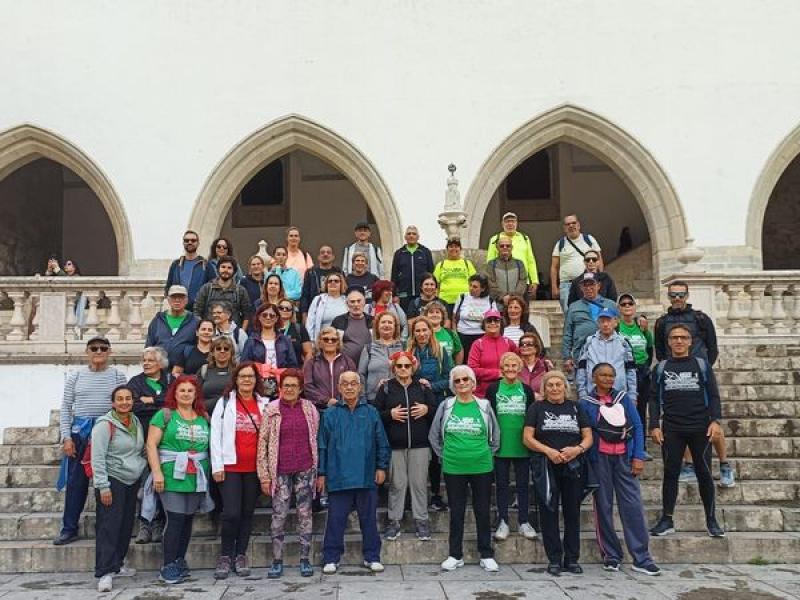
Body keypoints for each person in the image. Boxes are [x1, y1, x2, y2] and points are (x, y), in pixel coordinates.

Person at [578, 363, 661, 576]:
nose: (607, 379)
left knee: (632, 505)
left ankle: (642, 557)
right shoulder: (586, 403)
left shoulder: (622, 398)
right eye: (603, 375)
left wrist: (638, 456)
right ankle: (611, 555)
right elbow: (584, 431)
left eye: (611, 375)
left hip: (624, 457)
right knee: (603, 507)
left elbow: (637, 425)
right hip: (600, 460)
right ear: (593, 378)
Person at [648, 324, 726, 538]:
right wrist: (654, 425)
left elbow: (714, 394)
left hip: (700, 427)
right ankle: (667, 519)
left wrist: (716, 421)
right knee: (670, 473)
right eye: (674, 337)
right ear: (669, 342)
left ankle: (711, 520)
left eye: (683, 337)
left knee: (704, 473)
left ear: (690, 341)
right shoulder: (661, 367)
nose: (679, 341)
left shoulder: (701, 365)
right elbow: (653, 399)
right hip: (672, 428)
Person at [652, 281, 730, 486]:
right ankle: (688, 465)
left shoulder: (701, 318)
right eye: (673, 295)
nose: (677, 299)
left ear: (687, 296)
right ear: (668, 296)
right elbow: (660, 351)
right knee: (681, 419)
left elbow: (712, 348)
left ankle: (724, 464)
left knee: (714, 422)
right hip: (675, 377)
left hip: (700, 377)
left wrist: (700, 367)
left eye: (681, 295)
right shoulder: (661, 322)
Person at [55, 336, 128, 546]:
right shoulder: (75, 377)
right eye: (94, 348)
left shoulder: (117, 376)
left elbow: (123, 406)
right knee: (76, 483)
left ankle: (105, 528)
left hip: (107, 434)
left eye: (103, 348)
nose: (98, 351)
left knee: (107, 482)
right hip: (80, 433)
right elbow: (67, 408)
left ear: (109, 352)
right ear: (87, 351)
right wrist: (67, 437)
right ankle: (69, 528)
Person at [429, 365, 500, 572]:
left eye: (465, 380)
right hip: (453, 467)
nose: (461, 383)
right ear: (452, 384)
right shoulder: (446, 405)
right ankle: (455, 554)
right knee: (457, 512)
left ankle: (486, 554)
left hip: (481, 466)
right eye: (457, 381)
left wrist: (487, 454)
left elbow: (495, 435)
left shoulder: (484, 405)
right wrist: (445, 455)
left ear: (472, 382)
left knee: (482, 511)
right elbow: (434, 435)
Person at [319, 371, 391, 574]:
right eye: (345, 384)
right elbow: (322, 445)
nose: (349, 387)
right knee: (335, 519)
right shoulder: (330, 413)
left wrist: (381, 467)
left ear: (360, 387)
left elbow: (381, 443)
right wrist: (322, 473)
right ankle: (331, 557)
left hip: (366, 474)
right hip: (338, 475)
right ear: (339, 388)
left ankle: (372, 556)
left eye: (353, 384)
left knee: (369, 519)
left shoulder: (371, 412)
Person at [523, 370, 593, 577]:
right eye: (550, 385)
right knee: (548, 512)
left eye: (558, 384)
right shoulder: (537, 407)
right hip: (546, 465)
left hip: (573, 466)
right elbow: (527, 438)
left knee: (572, 512)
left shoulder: (575, 407)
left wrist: (577, 450)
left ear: (565, 386)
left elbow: (588, 437)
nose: (554, 388)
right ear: (544, 388)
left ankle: (572, 559)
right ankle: (554, 558)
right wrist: (548, 451)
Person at [145, 376, 212, 585]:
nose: (185, 394)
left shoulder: (203, 417)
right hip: (171, 472)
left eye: (190, 391)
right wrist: (156, 472)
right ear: (174, 393)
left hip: (196, 474)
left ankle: (179, 560)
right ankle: (167, 565)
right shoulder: (164, 415)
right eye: (181, 390)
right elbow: (151, 445)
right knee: (174, 519)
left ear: (196, 394)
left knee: (187, 520)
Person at [257, 368, 319, 579]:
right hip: (280, 470)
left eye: (294, 386)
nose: (290, 389)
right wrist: (264, 474)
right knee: (279, 515)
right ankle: (276, 560)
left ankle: (304, 558)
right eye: (286, 386)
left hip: (305, 468)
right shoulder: (272, 409)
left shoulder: (310, 408)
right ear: (280, 388)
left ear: (301, 388)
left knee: (305, 515)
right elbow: (263, 442)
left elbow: (315, 437)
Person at [210, 362, 269, 579]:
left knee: (247, 513)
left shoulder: (264, 404)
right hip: (230, 467)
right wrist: (217, 465)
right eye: (242, 376)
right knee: (231, 513)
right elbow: (214, 435)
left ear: (256, 380)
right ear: (235, 379)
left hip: (254, 468)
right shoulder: (225, 403)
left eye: (251, 377)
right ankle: (226, 555)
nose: (246, 380)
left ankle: (240, 554)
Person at [91, 385, 147, 592]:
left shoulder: (135, 422)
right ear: (113, 403)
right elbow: (97, 458)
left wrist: (140, 467)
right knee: (109, 526)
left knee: (125, 525)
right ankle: (104, 572)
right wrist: (103, 487)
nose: (124, 402)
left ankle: (118, 563)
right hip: (112, 480)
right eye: (120, 399)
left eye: (128, 398)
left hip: (131, 481)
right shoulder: (105, 425)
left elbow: (140, 450)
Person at [375, 351, 435, 541]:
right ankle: (394, 521)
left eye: (406, 366)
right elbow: (375, 414)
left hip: (420, 444)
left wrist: (426, 409)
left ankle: (421, 520)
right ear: (393, 368)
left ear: (412, 367)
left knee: (419, 484)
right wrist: (389, 414)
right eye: (399, 366)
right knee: (397, 484)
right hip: (395, 445)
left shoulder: (423, 387)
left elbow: (436, 412)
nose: (403, 369)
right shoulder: (385, 388)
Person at [486, 353, 537, 541]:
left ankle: (524, 521)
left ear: (520, 367)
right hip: (501, 446)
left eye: (514, 365)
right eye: (507, 365)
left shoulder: (526, 389)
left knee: (523, 485)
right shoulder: (493, 389)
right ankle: (502, 521)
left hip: (522, 445)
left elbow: (532, 417)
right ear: (501, 367)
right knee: (501, 485)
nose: (510, 369)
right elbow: (489, 417)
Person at [407, 316, 453, 511]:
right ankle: (412, 495)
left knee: (435, 451)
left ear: (430, 331)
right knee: (415, 449)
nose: (421, 334)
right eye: (417, 330)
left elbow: (449, 380)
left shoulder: (440, 351)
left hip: (436, 404)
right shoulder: (409, 352)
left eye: (424, 330)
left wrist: (431, 386)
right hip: (414, 404)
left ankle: (435, 494)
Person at [128, 346, 171, 544]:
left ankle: (159, 523)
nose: (146, 363)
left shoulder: (170, 380)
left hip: (167, 440)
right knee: (146, 483)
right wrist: (156, 404)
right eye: (144, 360)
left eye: (151, 360)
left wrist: (151, 400)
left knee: (162, 483)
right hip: (143, 439)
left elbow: (172, 402)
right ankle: (145, 524)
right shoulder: (135, 382)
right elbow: (133, 405)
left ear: (160, 363)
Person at [575, 307, 637, 400]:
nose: (605, 324)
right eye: (602, 321)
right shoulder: (589, 342)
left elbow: (630, 370)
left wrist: (632, 395)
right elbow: (581, 369)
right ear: (598, 323)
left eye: (608, 321)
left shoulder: (623, 343)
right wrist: (582, 393)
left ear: (615, 322)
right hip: (593, 395)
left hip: (618, 396)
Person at [617, 293, 654, 444]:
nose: (627, 306)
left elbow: (650, 349)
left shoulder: (642, 327)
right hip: (625, 372)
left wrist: (645, 366)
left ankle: (641, 445)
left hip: (643, 372)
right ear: (619, 308)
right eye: (623, 304)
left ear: (635, 307)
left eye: (630, 303)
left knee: (641, 410)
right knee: (625, 409)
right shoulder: (617, 326)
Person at [561, 273, 616, 373]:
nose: (588, 288)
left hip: (608, 354)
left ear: (598, 286)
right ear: (581, 288)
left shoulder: (610, 304)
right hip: (582, 355)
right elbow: (567, 333)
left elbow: (619, 328)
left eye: (592, 284)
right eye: (585, 285)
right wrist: (567, 357)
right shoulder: (574, 307)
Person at [550, 215, 602, 312]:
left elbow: (599, 260)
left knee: (589, 312)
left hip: (588, 283)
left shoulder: (589, 240)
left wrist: (600, 278)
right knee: (569, 313)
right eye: (568, 224)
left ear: (578, 225)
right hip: (567, 285)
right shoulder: (560, 244)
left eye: (573, 223)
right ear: (564, 228)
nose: (571, 226)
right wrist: (554, 287)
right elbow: (554, 267)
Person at [303, 326, 357, 412]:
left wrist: (341, 402)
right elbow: (308, 387)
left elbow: (355, 384)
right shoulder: (312, 363)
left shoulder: (348, 362)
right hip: (319, 410)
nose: (330, 341)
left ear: (338, 342)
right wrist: (327, 400)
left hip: (344, 409)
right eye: (326, 339)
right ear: (320, 342)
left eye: (334, 339)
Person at [486, 212, 538, 298]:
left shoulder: (524, 238)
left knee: (522, 308)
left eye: (513, 221)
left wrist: (534, 280)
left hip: (522, 281)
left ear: (517, 223)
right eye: (507, 221)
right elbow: (489, 262)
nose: (510, 224)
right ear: (502, 224)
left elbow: (530, 260)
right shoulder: (495, 239)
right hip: (501, 281)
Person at [467, 309, 518, 398]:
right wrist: (497, 373)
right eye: (489, 320)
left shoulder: (508, 342)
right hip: (484, 393)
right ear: (484, 324)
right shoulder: (478, 344)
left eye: (496, 320)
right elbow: (472, 369)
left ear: (501, 323)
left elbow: (521, 360)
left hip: (507, 391)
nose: (493, 323)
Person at [145, 285, 200, 366]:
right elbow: (149, 346)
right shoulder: (158, 320)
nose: (177, 300)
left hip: (184, 371)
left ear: (186, 300)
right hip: (159, 369)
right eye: (174, 297)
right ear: (168, 299)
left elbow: (199, 346)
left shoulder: (195, 321)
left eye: (181, 297)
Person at [194, 256, 253, 329]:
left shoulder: (240, 291)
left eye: (229, 268)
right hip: (211, 334)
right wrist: (203, 329)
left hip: (232, 336)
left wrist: (242, 333)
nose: (226, 270)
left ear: (234, 271)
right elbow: (197, 311)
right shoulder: (206, 288)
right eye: (223, 267)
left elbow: (247, 314)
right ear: (218, 269)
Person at [358, 312, 405, 404]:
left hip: (400, 396)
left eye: (390, 322)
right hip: (373, 398)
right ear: (377, 326)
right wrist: (363, 397)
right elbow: (361, 374)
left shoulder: (403, 346)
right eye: (383, 322)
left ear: (395, 327)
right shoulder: (369, 348)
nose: (386, 325)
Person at [241, 304, 299, 370]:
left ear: (276, 318)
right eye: (264, 315)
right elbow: (244, 365)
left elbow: (293, 365)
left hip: (281, 378)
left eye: (272, 316)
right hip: (259, 379)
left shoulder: (285, 340)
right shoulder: (251, 341)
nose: (268, 318)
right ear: (259, 317)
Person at [391, 225, 435, 312]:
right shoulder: (399, 253)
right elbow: (394, 275)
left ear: (418, 237)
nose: (411, 236)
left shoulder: (425, 252)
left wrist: (433, 292)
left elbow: (431, 273)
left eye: (414, 234)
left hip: (422, 294)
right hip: (404, 294)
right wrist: (394, 295)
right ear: (405, 237)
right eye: (409, 234)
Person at [454, 274, 497, 360]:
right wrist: (455, 335)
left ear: (483, 288)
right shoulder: (462, 297)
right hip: (463, 336)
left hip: (482, 336)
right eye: (470, 285)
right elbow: (454, 318)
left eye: (475, 287)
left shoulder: (490, 300)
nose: (471, 288)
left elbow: (495, 320)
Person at [164, 230, 207, 310]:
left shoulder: (206, 265)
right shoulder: (176, 265)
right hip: (179, 310)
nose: (189, 242)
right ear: (183, 243)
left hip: (199, 310)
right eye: (186, 240)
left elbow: (212, 288)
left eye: (193, 240)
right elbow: (168, 287)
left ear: (198, 243)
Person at [433, 238, 476, 315]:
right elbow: (435, 285)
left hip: (464, 301)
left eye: (456, 246)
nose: (454, 249)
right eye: (451, 246)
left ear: (460, 249)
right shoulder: (440, 265)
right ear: (447, 249)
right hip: (445, 301)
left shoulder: (467, 264)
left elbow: (475, 282)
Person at [331, 287, 374, 365]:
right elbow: (331, 343)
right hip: (344, 365)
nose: (356, 304)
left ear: (364, 302)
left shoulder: (373, 321)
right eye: (352, 302)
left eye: (359, 301)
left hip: (369, 364)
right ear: (347, 304)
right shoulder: (338, 321)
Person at [485, 233, 529, 307]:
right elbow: (490, 283)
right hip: (497, 305)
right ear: (497, 248)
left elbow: (522, 282)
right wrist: (502, 297)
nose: (505, 247)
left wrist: (512, 297)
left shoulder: (519, 263)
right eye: (502, 246)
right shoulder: (491, 264)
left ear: (512, 247)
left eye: (508, 246)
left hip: (516, 305)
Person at [197, 336, 237, 415]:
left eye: (226, 349)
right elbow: (195, 394)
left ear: (231, 352)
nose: (222, 351)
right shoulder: (204, 370)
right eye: (218, 348)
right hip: (205, 416)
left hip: (231, 417)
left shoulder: (237, 371)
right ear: (212, 352)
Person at [300, 245, 340, 318]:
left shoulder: (338, 272)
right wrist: (304, 314)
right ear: (318, 257)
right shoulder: (311, 272)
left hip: (335, 310)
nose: (325, 254)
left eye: (328, 252)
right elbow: (305, 295)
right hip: (315, 311)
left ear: (333, 257)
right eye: (322, 252)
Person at [305, 271, 348, 341]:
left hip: (343, 342)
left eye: (336, 281)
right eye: (330, 281)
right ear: (326, 284)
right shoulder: (318, 300)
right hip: (322, 341)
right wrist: (311, 342)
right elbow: (310, 323)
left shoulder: (347, 301)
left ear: (341, 284)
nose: (333, 283)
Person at [422, 301, 463, 365]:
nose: (434, 315)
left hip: (449, 372)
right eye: (431, 312)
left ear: (442, 316)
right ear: (425, 316)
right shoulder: (422, 334)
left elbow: (459, 351)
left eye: (437, 312)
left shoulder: (450, 333)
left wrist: (456, 368)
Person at [277, 299, 314, 365]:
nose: (285, 310)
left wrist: (305, 370)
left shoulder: (300, 328)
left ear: (292, 312)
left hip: (295, 371)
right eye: (281, 308)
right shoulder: (271, 328)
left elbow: (308, 352)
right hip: (274, 370)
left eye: (288, 308)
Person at [518, 332, 552, 401]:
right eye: (522, 344)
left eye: (529, 344)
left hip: (540, 405)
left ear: (536, 348)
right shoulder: (516, 366)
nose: (525, 346)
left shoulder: (545, 366)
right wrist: (531, 394)